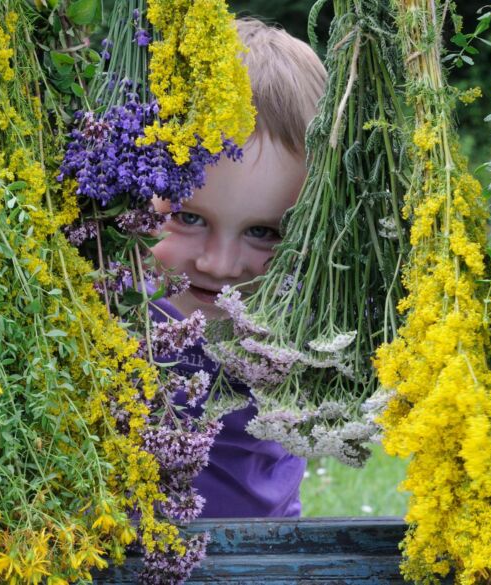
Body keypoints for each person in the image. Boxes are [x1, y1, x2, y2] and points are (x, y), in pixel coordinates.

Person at [150, 18, 327, 518]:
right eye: (187, 218)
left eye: (264, 232)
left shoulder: (314, 326)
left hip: (265, 561)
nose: (218, 265)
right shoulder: (105, 314)